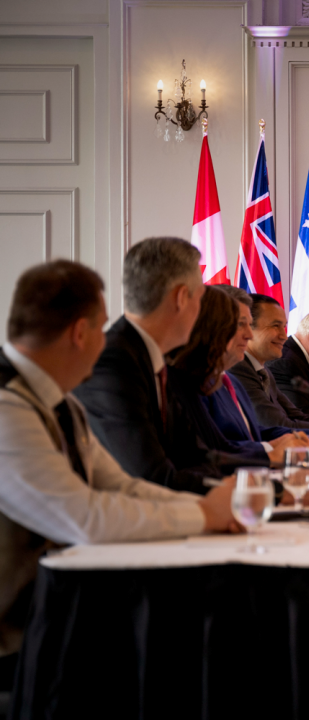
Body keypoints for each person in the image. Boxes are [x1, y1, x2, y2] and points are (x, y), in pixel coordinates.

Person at [1, 261, 238, 658]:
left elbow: (121, 486)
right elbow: (85, 517)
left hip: (54, 614)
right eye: (103, 326)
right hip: (17, 643)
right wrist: (203, 516)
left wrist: (208, 507)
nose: (107, 340)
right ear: (80, 333)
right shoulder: (8, 407)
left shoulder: (61, 403)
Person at [73, 237, 219, 493]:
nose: (202, 308)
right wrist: (251, 494)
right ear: (182, 297)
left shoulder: (150, 358)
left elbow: (196, 455)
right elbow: (149, 476)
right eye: (201, 297)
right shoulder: (113, 363)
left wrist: (252, 487)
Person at [167, 286, 308, 468]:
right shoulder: (188, 381)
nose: (249, 335)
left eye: (249, 324)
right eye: (241, 324)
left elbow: (251, 432)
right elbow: (211, 451)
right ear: (211, 325)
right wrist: (270, 453)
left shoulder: (230, 381)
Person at [226, 294, 309, 432]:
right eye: (275, 326)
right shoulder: (238, 368)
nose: (284, 336)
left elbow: (298, 417)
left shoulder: (263, 370)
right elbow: (277, 425)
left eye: (283, 326)